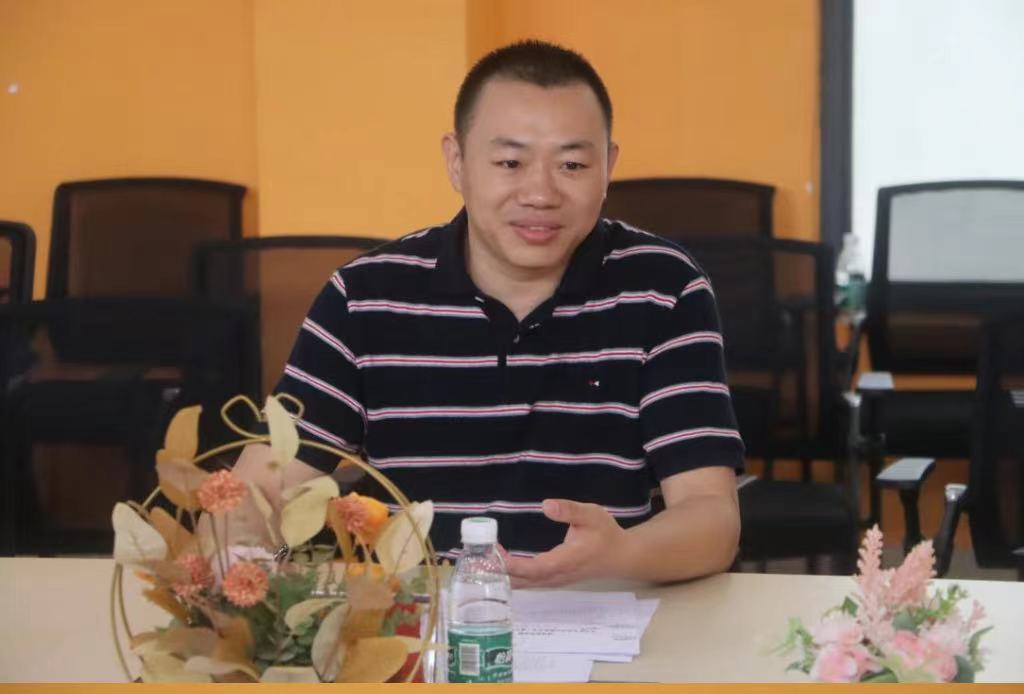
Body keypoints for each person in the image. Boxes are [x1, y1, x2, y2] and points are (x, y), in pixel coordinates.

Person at [250, 40, 743, 582]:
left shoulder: (663, 287)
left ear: (609, 167)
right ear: (456, 161)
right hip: (419, 614)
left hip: (605, 605)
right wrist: (240, 572)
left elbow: (711, 516)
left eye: (573, 164)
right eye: (510, 162)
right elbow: (260, 491)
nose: (540, 193)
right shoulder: (365, 296)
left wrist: (622, 554)